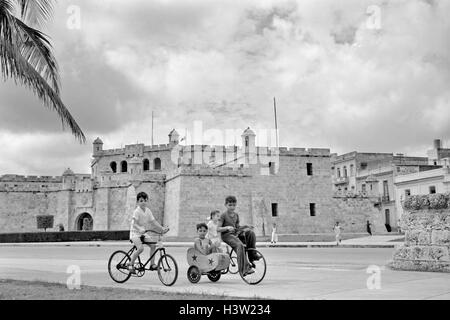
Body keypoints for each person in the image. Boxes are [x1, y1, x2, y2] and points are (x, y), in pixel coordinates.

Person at [217, 196, 260, 276]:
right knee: (239, 245)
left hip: (235, 234)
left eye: (233, 205)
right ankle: (244, 269)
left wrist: (246, 226)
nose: (232, 207)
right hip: (227, 236)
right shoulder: (223, 215)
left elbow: (237, 228)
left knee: (250, 233)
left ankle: (252, 255)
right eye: (230, 205)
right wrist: (227, 228)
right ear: (225, 205)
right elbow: (218, 229)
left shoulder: (236, 215)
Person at [127, 192, 169, 274]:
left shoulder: (148, 211)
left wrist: (162, 228)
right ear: (137, 202)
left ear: (147, 201)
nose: (143, 202)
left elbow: (154, 222)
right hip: (134, 233)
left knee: (153, 245)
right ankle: (130, 264)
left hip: (143, 233)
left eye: (145, 200)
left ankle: (152, 264)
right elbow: (134, 224)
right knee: (140, 248)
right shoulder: (137, 211)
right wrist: (139, 229)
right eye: (141, 201)